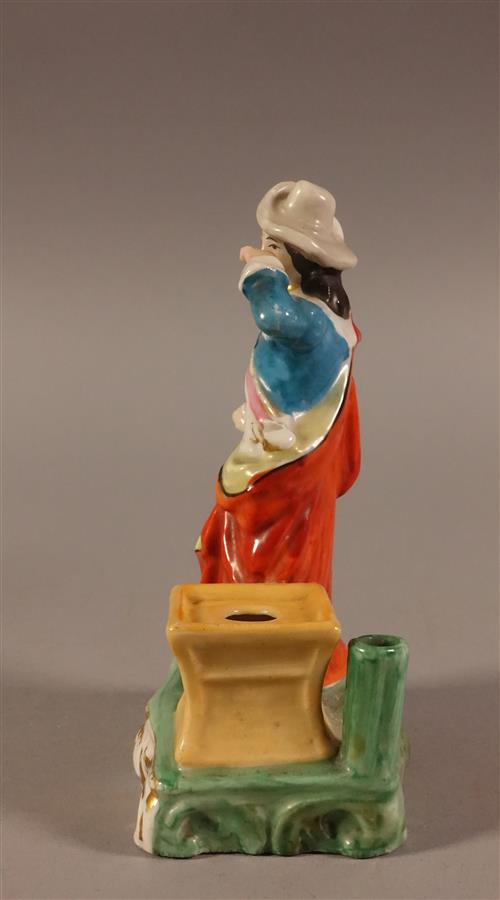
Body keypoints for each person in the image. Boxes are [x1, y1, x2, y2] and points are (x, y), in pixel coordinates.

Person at [196, 180, 361, 685]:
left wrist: (259, 266)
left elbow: (270, 314)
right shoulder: (315, 313)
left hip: (288, 463)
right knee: (238, 533)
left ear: (298, 258)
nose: (257, 250)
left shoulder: (312, 321)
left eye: (273, 245)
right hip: (273, 444)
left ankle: (272, 655)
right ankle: (252, 643)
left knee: (263, 548)